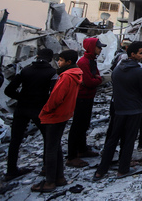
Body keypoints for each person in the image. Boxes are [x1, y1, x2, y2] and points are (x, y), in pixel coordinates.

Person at [93, 41, 142, 180]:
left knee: (112, 139)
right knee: (128, 140)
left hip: (119, 109)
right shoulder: (139, 70)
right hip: (134, 110)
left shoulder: (117, 69)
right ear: (133, 54)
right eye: (141, 53)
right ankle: (123, 169)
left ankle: (101, 170)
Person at [31, 50, 83, 193]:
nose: (58, 63)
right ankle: (59, 177)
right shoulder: (76, 74)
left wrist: (45, 110)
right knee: (56, 146)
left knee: (51, 149)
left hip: (55, 115)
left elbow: (56, 98)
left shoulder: (66, 76)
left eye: (60, 60)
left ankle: (50, 181)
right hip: (64, 114)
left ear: (68, 62)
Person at [4, 49, 57, 181]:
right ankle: (46, 168)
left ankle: (11, 170)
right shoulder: (51, 73)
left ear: (37, 56)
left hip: (22, 108)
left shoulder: (25, 70)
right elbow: (54, 94)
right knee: (48, 138)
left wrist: (21, 97)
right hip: (40, 109)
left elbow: (9, 90)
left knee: (15, 140)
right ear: (50, 59)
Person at [67, 38, 105, 167]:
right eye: (98, 47)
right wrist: (97, 80)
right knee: (77, 125)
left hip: (88, 96)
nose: (100, 49)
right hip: (81, 97)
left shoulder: (91, 61)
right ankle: (72, 155)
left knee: (84, 124)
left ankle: (82, 149)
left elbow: (98, 77)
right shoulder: (84, 62)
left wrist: (96, 79)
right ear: (92, 47)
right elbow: (90, 82)